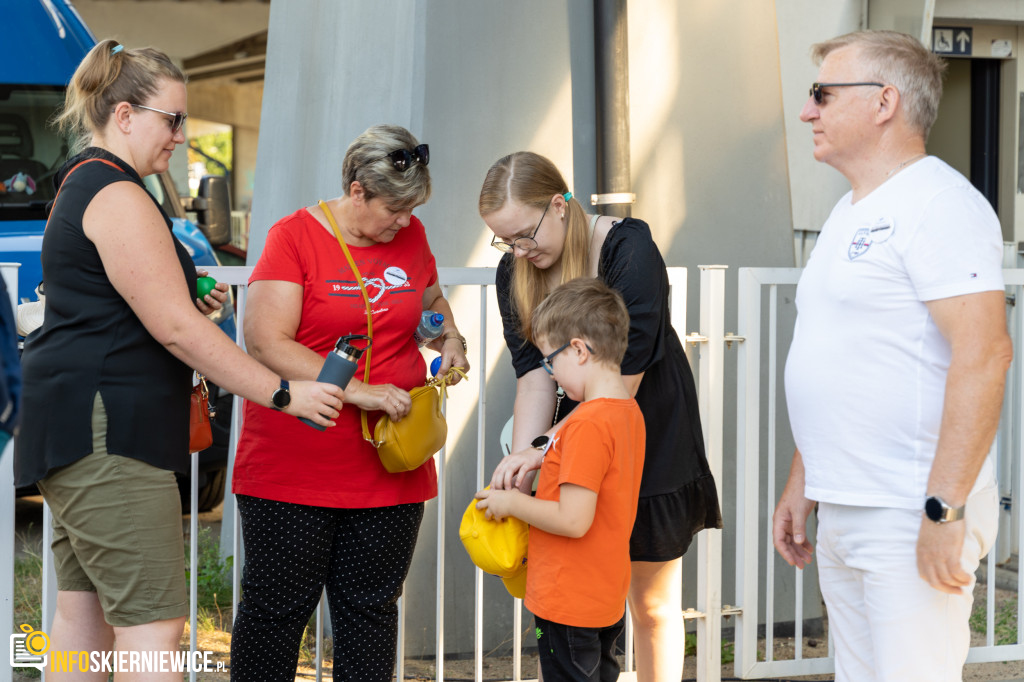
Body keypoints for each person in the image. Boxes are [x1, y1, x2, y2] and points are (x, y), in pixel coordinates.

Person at [12, 40, 344, 680]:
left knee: (85, 621)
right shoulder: (118, 195)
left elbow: (146, 311)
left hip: (77, 424)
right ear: (127, 114)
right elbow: (173, 329)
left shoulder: (90, 184)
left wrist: (197, 310)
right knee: (155, 625)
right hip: (109, 430)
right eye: (173, 119)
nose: (181, 136)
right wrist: (282, 392)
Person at [773, 30, 1012, 681]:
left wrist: (945, 508)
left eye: (821, 93)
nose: (806, 111)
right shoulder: (851, 212)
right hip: (849, 504)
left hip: (909, 507)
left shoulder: (938, 203)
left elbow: (986, 353)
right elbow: (840, 358)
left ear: (884, 102)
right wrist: (804, 482)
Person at [229, 124, 470, 681]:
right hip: (296, 464)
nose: (404, 222)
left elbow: (430, 302)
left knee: (370, 613)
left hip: (391, 462)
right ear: (356, 190)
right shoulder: (293, 236)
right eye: (394, 208)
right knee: (276, 614)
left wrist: (450, 337)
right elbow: (265, 339)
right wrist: (359, 392)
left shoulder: (411, 235)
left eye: (413, 210)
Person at [480, 151, 722, 682]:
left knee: (651, 603)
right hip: (572, 436)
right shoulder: (515, 272)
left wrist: (544, 449)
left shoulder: (628, 249)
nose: (519, 250)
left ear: (560, 204)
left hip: (644, 429)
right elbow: (534, 377)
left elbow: (619, 389)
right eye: (506, 241)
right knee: (581, 592)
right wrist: (526, 460)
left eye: (525, 233)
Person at [475, 277, 645, 682]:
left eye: (550, 361)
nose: (549, 374)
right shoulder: (627, 412)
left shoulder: (585, 424)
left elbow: (573, 519)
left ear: (579, 350)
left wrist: (511, 503)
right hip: (603, 593)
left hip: (569, 598)